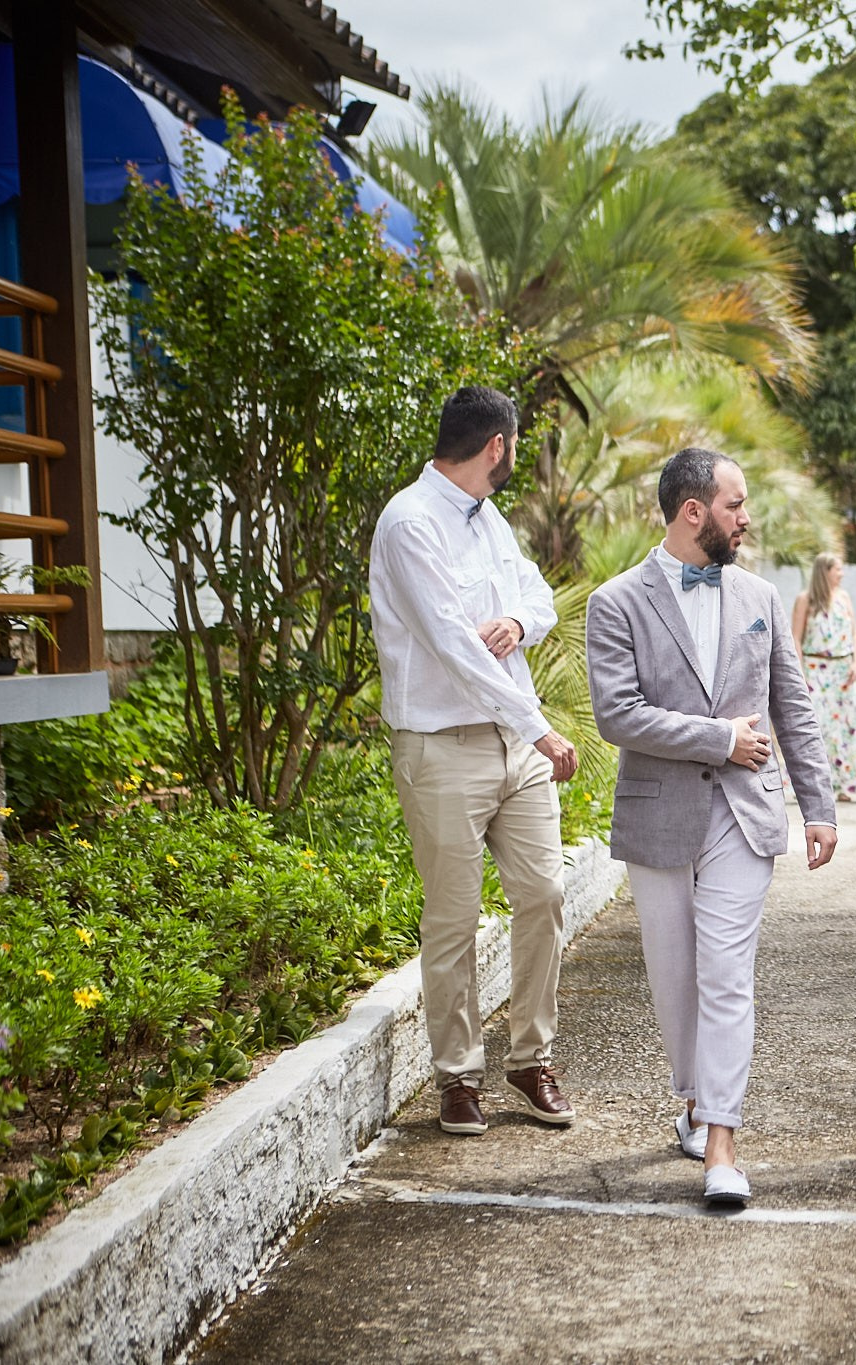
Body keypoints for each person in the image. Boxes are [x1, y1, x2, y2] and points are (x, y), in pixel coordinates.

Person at [586, 447, 837, 1208]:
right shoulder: (616, 602)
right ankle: (694, 1100)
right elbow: (617, 714)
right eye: (735, 504)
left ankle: (722, 1143)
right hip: (660, 812)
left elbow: (792, 704)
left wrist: (819, 805)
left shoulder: (760, 594)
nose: (746, 517)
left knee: (727, 975)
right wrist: (718, 737)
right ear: (693, 511)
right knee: (674, 977)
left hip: (744, 812)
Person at [369, 385, 581, 1138]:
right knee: (454, 919)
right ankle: (458, 1077)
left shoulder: (487, 518)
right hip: (444, 747)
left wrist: (520, 621)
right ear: (498, 445)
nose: (513, 456)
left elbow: (539, 597)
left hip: (513, 747)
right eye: (514, 445)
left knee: (544, 894)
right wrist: (542, 729)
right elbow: (455, 649)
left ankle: (530, 1058)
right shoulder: (409, 523)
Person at [791, 552, 856, 800]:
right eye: (837, 569)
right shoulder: (805, 599)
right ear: (824, 571)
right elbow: (795, 637)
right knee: (820, 726)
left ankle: (846, 783)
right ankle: (814, 784)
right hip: (816, 669)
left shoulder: (844, 597)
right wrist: (799, 671)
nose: (842, 574)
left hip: (843, 670)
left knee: (851, 724)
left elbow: (855, 633)